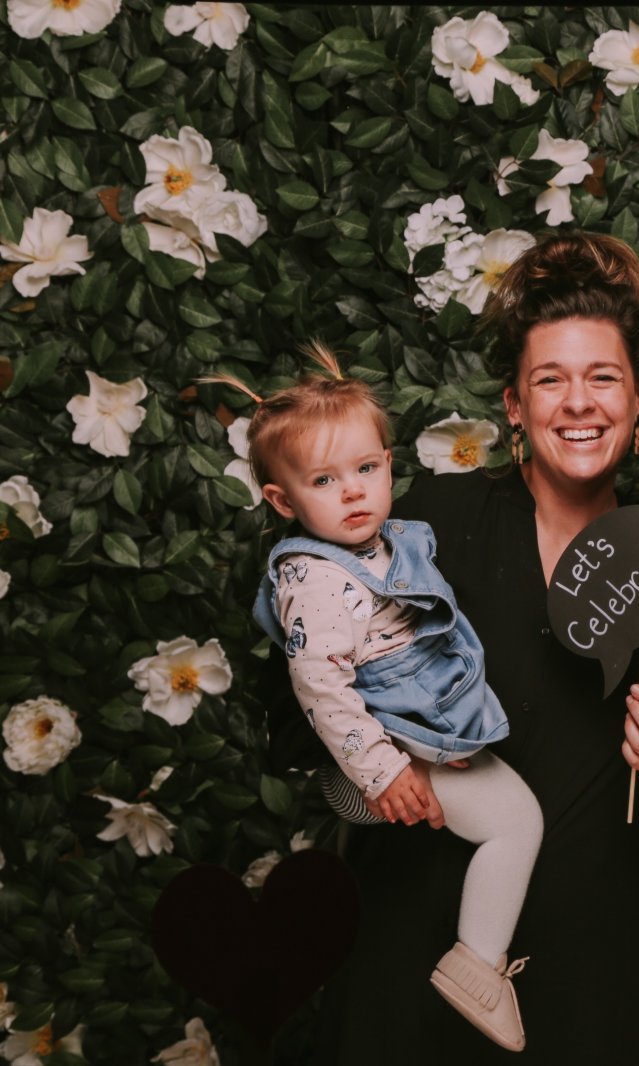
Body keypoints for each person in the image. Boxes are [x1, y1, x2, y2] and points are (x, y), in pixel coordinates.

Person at [307, 233, 639, 1065]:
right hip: (420, 963)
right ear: (513, 405)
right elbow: (308, 702)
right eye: (550, 380)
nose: (579, 404)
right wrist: (378, 759)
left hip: (596, 983)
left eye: (602, 378)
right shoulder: (434, 525)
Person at [229, 342, 540, 1051]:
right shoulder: (315, 577)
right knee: (517, 823)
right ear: (282, 500)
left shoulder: (388, 543)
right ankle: (478, 965)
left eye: (366, 469)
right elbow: (321, 687)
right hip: (394, 745)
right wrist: (383, 771)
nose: (353, 491)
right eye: (324, 479)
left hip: (422, 725)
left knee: (513, 818)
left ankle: (475, 959)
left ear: (389, 464)